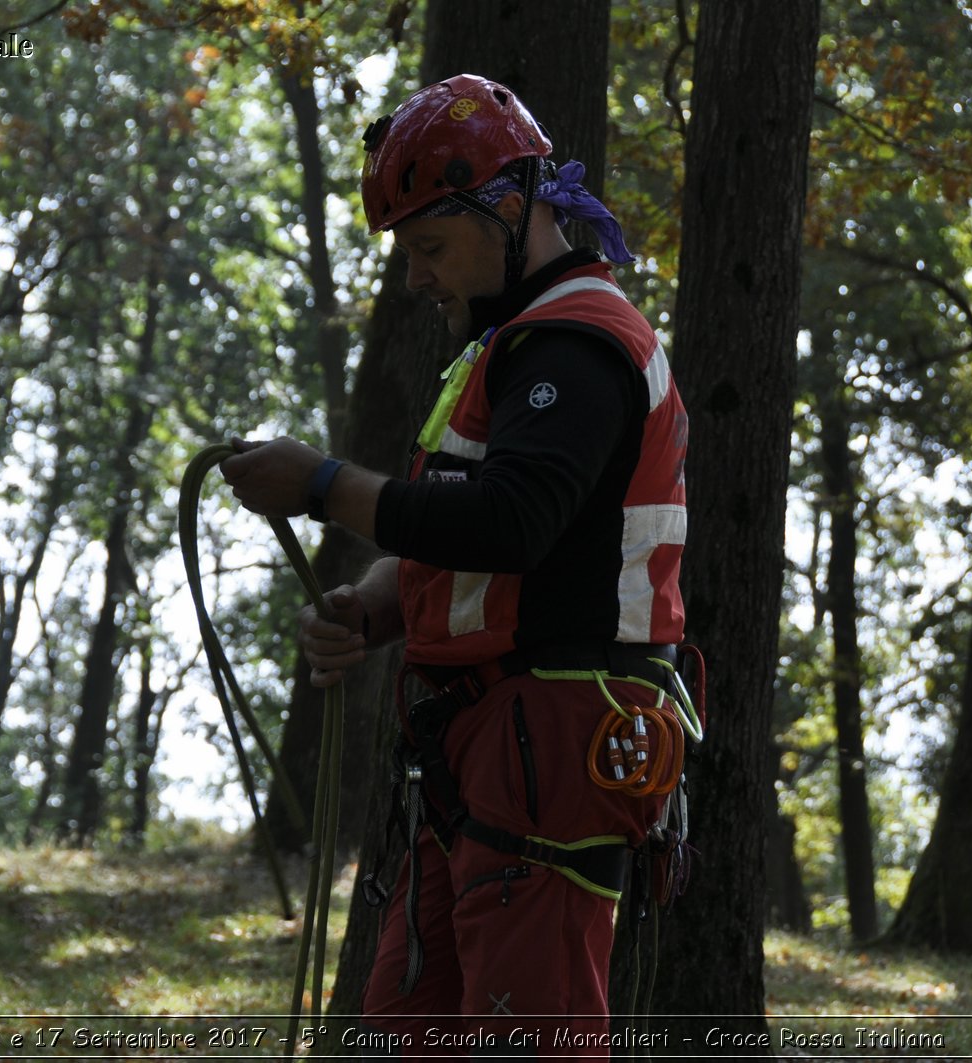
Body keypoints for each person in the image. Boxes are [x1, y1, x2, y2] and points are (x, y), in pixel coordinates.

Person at [220, 74, 693, 1056]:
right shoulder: (510, 351)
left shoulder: (577, 347)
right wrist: (370, 606)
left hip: (552, 740)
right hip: (481, 744)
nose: (415, 278)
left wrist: (320, 485)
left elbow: (511, 523)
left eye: (429, 248)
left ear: (509, 209)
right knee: (408, 1028)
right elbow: (468, 535)